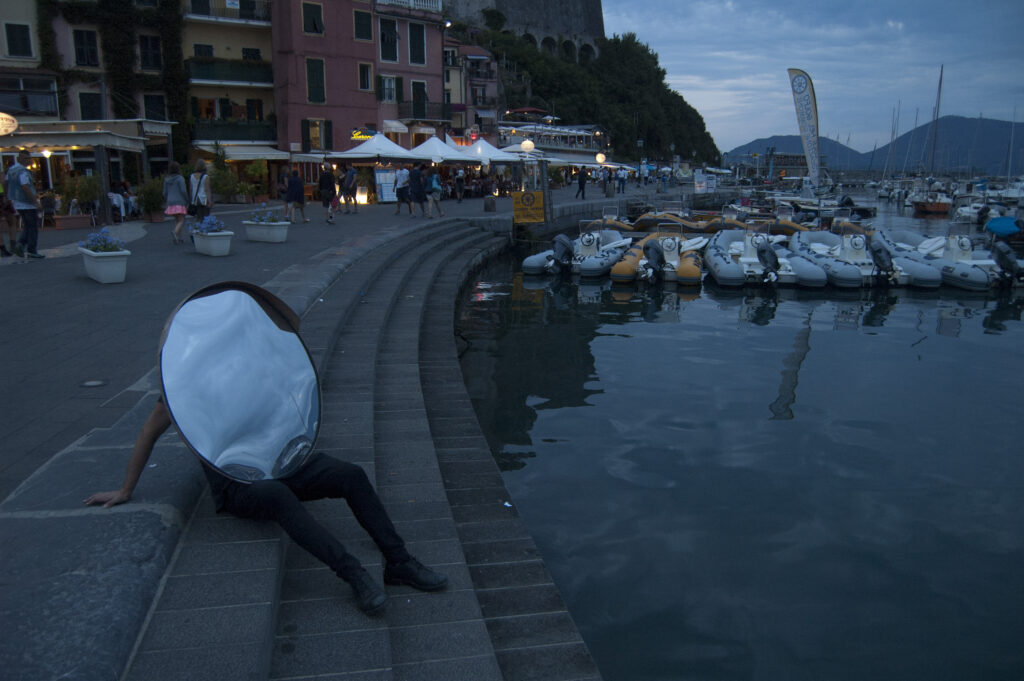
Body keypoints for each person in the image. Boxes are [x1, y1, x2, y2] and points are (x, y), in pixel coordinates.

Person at [84, 393, 447, 614]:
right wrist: (126, 490)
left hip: (277, 462)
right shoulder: (183, 387)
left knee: (350, 474)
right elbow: (149, 430)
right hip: (235, 483)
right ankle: (353, 575)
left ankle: (398, 562)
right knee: (276, 495)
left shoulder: (245, 367)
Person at [4, 150, 44, 259]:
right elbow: (25, 187)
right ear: (19, 159)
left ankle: (20, 245)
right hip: (26, 202)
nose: (28, 161)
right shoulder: (23, 171)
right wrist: (35, 202)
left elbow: (6, 182)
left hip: (17, 202)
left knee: (28, 225)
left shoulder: (11, 170)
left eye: (29, 159)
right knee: (32, 227)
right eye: (26, 159)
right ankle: (30, 249)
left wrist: (7, 195)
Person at [163, 161, 189, 244]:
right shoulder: (180, 178)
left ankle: (178, 237)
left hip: (170, 202)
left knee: (176, 220)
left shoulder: (166, 180)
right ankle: (175, 232)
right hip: (179, 201)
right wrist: (187, 199)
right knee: (181, 220)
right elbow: (183, 190)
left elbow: (164, 192)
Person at [0, 169, 20, 257]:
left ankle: (10, 245)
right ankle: (5, 247)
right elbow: (3, 180)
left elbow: (3, 180)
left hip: (3, 196)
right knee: (11, 220)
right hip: (2, 196)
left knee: (12, 220)